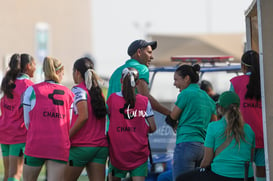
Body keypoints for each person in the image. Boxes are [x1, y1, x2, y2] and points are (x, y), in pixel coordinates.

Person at [176, 91, 255, 181]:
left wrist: (201, 168)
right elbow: (251, 158)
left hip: (220, 176)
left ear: (220, 108)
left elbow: (207, 161)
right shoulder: (249, 129)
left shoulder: (213, 127)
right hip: (247, 177)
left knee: (181, 178)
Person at [22, 56, 74, 181]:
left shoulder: (31, 90)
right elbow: (69, 122)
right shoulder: (69, 93)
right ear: (58, 72)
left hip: (36, 143)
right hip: (58, 144)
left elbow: (27, 122)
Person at [165, 64, 217, 181]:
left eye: (176, 80)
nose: (174, 84)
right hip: (204, 148)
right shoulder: (208, 99)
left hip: (186, 145)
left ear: (187, 78)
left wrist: (174, 123)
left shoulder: (185, 94)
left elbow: (172, 117)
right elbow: (214, 124)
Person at [107, 67, 156, 181]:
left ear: (121, 81)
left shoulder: (112, 99)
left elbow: (111, 120)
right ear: (137, 82)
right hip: (139, 154)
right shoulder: (144, 101)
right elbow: (153, 127)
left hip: (117, 153)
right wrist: (139, 129)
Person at [65, 57, 108, 181]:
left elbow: (83, 116)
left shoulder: (78, 90)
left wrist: (66, 137)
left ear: (77, 72)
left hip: (81, 147)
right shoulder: (98, 92)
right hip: (100, 148)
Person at [107, 39, 170, 116]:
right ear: (139, 52)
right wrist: (170, 114)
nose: (152, 57)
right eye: (149, 52)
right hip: (132, 125)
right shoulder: (141, 68)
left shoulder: (116, 72)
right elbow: (145, 98)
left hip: (112, 126)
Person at [230, 50, 266, 181]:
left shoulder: (236, 82)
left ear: (243, 66)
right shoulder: (265, 82)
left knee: (246, 172)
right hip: (263, 135)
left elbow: (230, 108)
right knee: (262, 173)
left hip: (242, 134)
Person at [0, 53, 36, 181]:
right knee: (15, 175)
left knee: (7, 175)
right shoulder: (29, 86)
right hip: (18, 134)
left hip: (4, 132)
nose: (36, 68)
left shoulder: (8, 81)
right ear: (28, 66)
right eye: (34, 64)